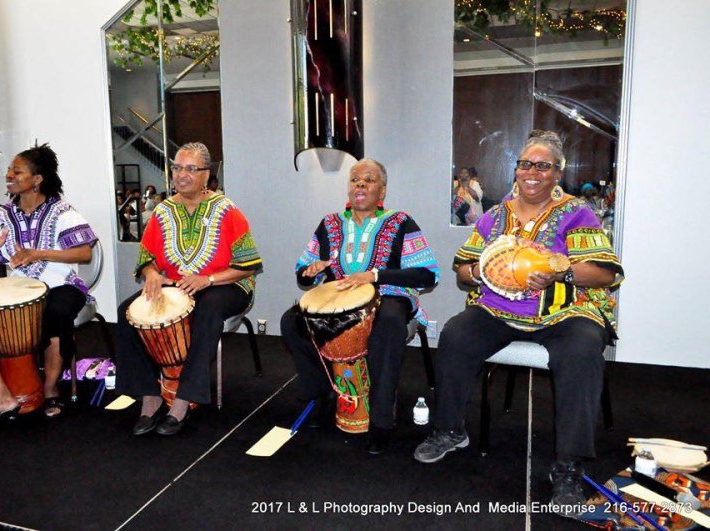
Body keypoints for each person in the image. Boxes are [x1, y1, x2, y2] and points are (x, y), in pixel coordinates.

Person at [414, 131, 623, 516]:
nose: (531, 172)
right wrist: (479, 270)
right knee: (457, 333)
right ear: (516, 170)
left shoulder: (577, 213)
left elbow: (604, 274)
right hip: (498, 310)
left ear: (557, 173)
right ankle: (450, 429)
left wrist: (559, 271)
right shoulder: (495, 216)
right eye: (525, 164)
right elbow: (462, 271)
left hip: (565, 312)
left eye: (542, 166)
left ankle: (568, 466)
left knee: (582, 350)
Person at [281, 158, 440, 454]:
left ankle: (381, 420)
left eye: (369, 179)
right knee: (292, 322)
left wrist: (375, 275)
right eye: (355, 180)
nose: (360, 184)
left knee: (389, 325)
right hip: (339, 301)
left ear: (382, 191)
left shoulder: (401, 222)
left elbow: (427, 273)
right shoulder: (330, 224)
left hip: (389, 296)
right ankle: (320, 393)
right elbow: (302, 273)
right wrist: (311, 269)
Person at [115, 142, 263, 436]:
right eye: (178, 168)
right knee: (126, 312)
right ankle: (150, 396)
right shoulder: (162, 211)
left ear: (206, 174)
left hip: (227, 284)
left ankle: (184, 399)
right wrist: (153, 274)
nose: (182, 175)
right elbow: (146, 259)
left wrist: (206, 280)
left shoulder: (227, 211)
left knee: (206, 310)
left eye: (191, 169)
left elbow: (248, 265)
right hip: (176, 286)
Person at [0, 143, 97, 427]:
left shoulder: (62, 211)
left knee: (56, 313)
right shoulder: (2, 215)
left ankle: (51, 387)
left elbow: (84, 253)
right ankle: (0, 395)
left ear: (37, 179)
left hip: (62, 284)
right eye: (8, 171)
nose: (9, 176)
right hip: (18, 290)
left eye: (17, 171)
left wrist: (40, 253)